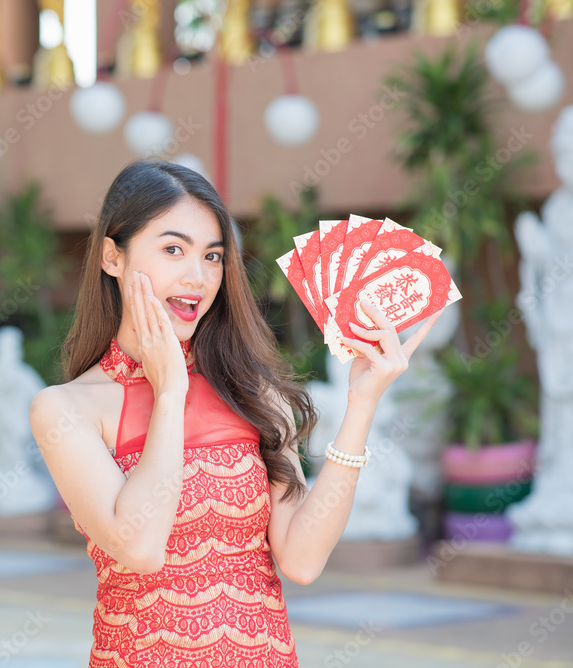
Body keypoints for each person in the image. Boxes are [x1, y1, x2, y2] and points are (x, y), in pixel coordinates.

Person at [29, 160, 440, 666]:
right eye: (173, 249)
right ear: (112, 256)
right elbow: (139, 547)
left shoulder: (251, 395)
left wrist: (362, 404)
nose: (197, 277)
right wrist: (169, 392)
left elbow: (303, 559)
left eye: (213, 256)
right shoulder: (66, 409)